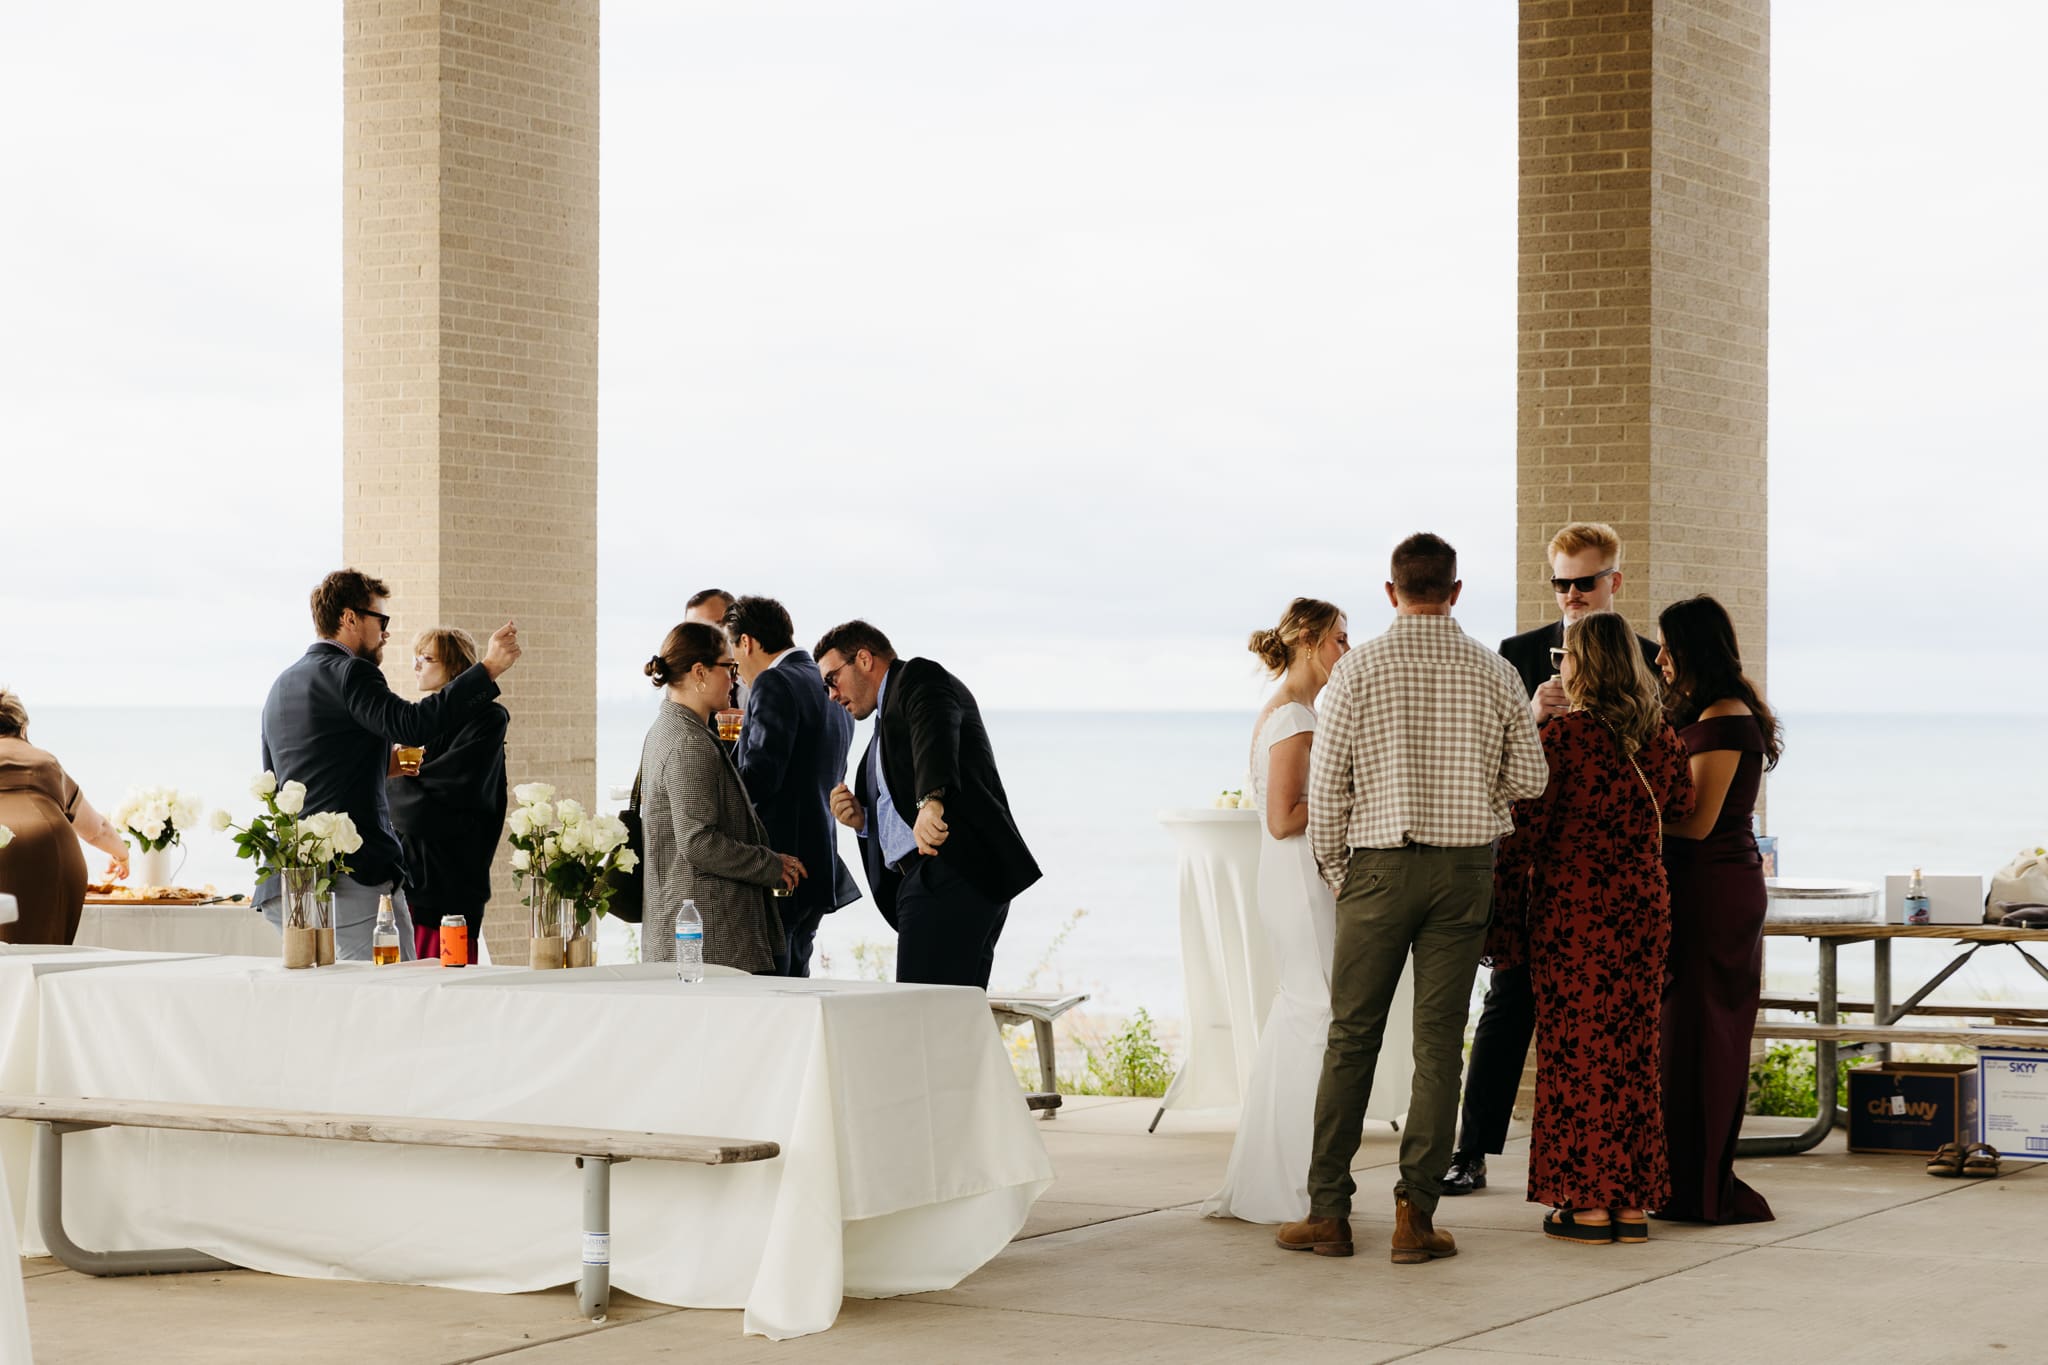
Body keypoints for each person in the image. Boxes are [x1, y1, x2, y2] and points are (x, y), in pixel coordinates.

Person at [1277, 534, 1546, 1264]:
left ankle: (1328, 1212)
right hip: (1464, 872)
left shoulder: (1356, 670)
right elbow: (1530, 778)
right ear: (1455, 591)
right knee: (1437, 1048)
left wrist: (1340, 870)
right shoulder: (1495, 672)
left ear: (1391, 592)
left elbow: (1328, 790)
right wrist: (1478, 802)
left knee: (1351, 1039)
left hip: (1376, 867)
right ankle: (1415, 1218)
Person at [1444, 520, 1663, 1198]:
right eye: (1561, 583)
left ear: (1614, 582)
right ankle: (1472, 1149)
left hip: (1614, 884)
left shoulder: (1649, 656)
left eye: (1585, 582)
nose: (1571, 595)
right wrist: (1538, 719)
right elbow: (1490, 763)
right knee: (1507, 1007)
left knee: (1614, 1031)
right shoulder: (1517, 652)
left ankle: (1618, 1171)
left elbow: (1661, 762)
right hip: (1539, 877)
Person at [1205, 597, 1419, 1224]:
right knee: (1321, 1016)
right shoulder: (1295, 717)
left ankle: (1285, 1172)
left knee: (1305, 1014)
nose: (1346, 652)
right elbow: (1282, 819)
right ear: (1306, 640)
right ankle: (1297, 1178)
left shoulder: (1291, 710)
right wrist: (1357, 797)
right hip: (1300, 880)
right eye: (1339, 641)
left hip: (1295, 880)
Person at [1489, 611, 1694, 1244]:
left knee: (1576, 1057)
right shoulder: (1661, 739)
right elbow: (1682, 807)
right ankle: (1631, 1204)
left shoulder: (1564, 739)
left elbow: (1520, 837)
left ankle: (1586, 1204)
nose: (1561, 667)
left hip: (1574, 915)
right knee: (1631, 1055)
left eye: (1565, 657)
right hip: (1642, 911)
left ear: (1584, 664)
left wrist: (1500, 927)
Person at [258, 570, 521, 960]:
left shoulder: (283, 684)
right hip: (350, 880)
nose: (386, 633)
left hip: (288, 882)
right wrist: (488, 669)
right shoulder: (352, 672)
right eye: (380, 620)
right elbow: (412, 724)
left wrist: (386, 764)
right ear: (349, 618)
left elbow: (293, 773)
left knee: (324, 1005)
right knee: (396, 1001)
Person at [818, 621, 1040, 989]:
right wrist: (863, 820)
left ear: (863, 659)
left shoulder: (918, 679)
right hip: (938, 882)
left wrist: (931, 801)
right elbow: (902, 800)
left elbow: (935, 729)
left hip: (947, 872)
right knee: (952, 1019)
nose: (830, 694)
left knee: (919, 1017)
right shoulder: (881, 734)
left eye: (832, 679)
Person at [1657, 594, 1781, 1224]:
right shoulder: (1707, 709)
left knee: (1702, 1034)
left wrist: (1622, 817)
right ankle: (1678, 1177)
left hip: (1713, 889)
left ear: (1691, 649)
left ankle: (1698, 1185)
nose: (1661, 659)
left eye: (1667, 647)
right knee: (1680, 1034)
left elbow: (1697, 822)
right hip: (1698, 886)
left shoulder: (1727, 718)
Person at [638, 622, 804, 973]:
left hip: (692, 935)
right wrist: (769, 865)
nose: (737, 678)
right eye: (728, 668)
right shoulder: (689, 743)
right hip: (711, 941)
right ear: (700, 672)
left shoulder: (670, 731)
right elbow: (698, 842)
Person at [724, 595, 861, 976]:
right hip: (819, 862)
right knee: (795, 983)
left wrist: (711, 789)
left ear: (747, 642)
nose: (734, 669)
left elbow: (761, 779)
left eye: (733, 651)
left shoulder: (773, 681)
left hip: (779, 865)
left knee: (769, 994)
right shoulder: (826, 686)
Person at [386, 628, 509, 963]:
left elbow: (429, 805)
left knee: (447, 986)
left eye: (427, 658)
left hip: (450, 883)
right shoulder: (417, 722)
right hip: (409, 877)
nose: (416, 666)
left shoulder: (487, 720)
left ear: (456, 667)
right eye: (416, 657)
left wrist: (391, 779)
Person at [0, 689, 132, 944]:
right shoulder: (44, 761)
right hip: (53, 854)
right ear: (23, 728)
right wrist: (121, 855)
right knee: (45, 951)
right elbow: (98, 829)